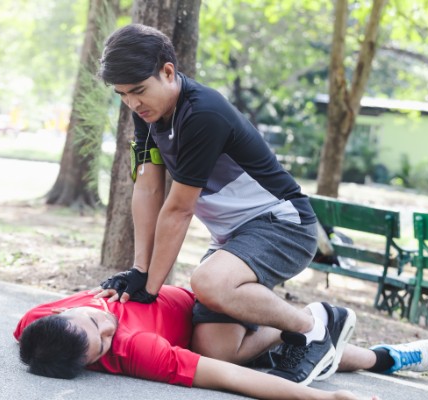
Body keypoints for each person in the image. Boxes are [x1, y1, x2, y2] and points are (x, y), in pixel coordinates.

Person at [93, 23, 331, 383]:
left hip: (284, 225)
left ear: (168, 71)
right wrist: (139, 270)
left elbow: (178, 209)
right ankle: (300, 329)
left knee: (209, 282)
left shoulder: (203, 112)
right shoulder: (147, 113)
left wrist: (152, 288)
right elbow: (147, 189)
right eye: (123, 94)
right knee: (216, 351)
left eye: (138, 91)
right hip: (234, 238)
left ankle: (312, 328)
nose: (132, 102)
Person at [14, 286, 428, 400]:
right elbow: (231, 378)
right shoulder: (134, 349)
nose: (110, 326)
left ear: (60, 313)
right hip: (212, 331)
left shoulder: (32, 325)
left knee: (222, 348)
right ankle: (384, 358)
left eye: (95, 321)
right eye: (102, 347)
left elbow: (223, 362)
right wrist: (322, 399)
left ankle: (311, 322)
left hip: (216, 309)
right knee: (268, 358)